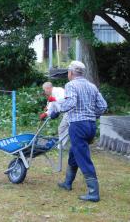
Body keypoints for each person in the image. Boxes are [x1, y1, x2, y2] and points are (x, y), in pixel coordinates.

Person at [57, 61, 107, 202]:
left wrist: (58, 109)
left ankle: (93, 193)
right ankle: (67, 183)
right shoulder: (92, 86)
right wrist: (92, 115)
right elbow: (103, 106)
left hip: (78, 126)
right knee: (75, 152)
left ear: (71, 73)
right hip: (91, 126)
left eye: (68, 72)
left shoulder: (71, 85)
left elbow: (71, 103)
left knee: (83, 158)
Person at [39, 82, 69, 149]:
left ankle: (62, 146)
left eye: (44, 90)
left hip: (70, 112)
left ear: (48, 88)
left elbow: (65, 99)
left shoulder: (59, 90)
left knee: (64, 128)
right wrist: (45, 114)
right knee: (62, 128)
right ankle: (62, 146)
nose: (44, 92)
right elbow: (50, 107)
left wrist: (55, 99)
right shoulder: (51, 95)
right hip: (66, 113)